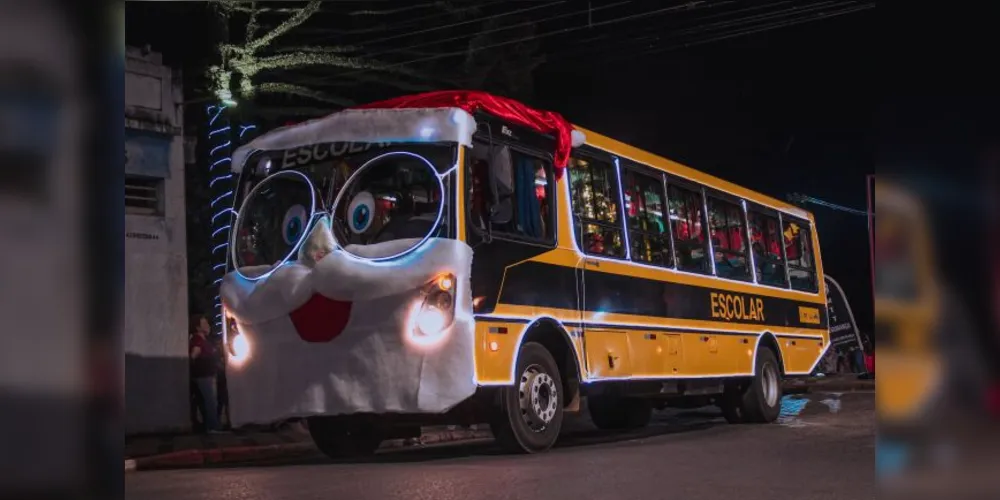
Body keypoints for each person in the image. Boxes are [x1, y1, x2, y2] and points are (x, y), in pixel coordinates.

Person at [189, 315, 223, 433]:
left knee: (208, 401)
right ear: (198, 327)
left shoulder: (203, 340)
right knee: (210, 402)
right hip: (204, 376)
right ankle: (212, 427)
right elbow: (193, 354)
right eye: (204, 324)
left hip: (206, 375)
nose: (208, 325)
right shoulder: (198, 340)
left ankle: (209, 426)